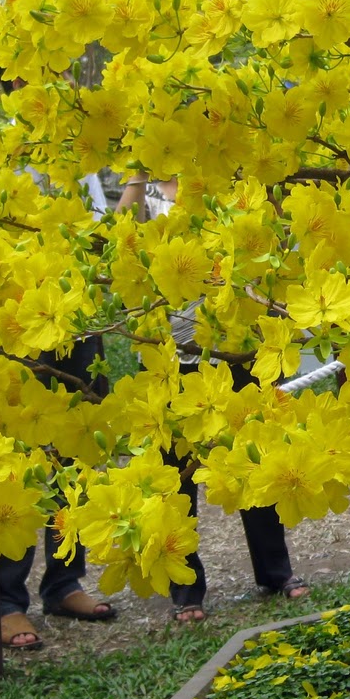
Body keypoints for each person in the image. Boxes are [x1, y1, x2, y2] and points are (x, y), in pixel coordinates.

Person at [0, 72, 118, 649]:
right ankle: (7, 602)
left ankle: (65, 581)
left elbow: (95, 230)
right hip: (9, 330)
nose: (55, 87)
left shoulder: (72, 151)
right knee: (15, 458)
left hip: (72, 316)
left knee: (72, 448)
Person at [117, 173, 308, 622]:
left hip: (231, 348)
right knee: (175, 477)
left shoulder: (224, 199)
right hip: (170, 361)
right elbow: (120, 239)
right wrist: (136, 176)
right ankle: (187, 590)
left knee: (251, 458)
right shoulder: (146, 197)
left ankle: (275, 572)